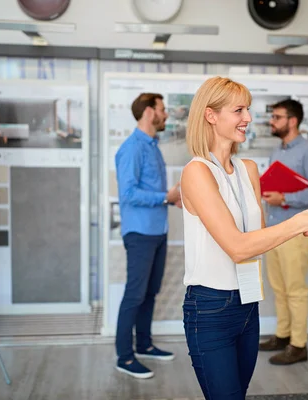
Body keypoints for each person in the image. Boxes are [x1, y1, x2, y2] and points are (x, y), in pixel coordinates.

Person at [179, 76, 308, 400]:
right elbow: (238, 248)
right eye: (239, 110)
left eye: (248, 109)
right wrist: (298, 222)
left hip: (247, 304)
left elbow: (260, 238)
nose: (249, 118)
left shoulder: (248, 168)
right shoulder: (196, 171)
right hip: (211, 306)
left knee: (239, 393)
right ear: (211, 115)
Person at [114, 92, 182, 379]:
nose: (166, 114)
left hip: (158, 230)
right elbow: (128, 194)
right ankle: (125, 357)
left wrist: (170, 199)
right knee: (135, 294)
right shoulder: (131, 148)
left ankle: (144, 345)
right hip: (140, 231)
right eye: (162, 109)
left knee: (150, 293)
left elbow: (155, 193)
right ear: (148, 112)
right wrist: (165, 197)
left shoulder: (153, 145)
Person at [258, 99, 308, 365]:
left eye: (277, 117)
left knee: (295, 289)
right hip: (275, 228)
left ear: (293, 120)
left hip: (297, 230)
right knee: (278, 286)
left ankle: (299, 345)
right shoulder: (278, 151)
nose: (272, 121)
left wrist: (284, 198)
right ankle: (283, 335)